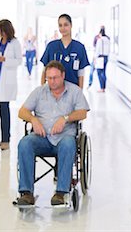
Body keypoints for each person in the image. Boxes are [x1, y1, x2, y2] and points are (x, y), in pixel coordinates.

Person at [17, 60, 89, 206]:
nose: (52, 81)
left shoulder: (74, 91)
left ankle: (61, 193)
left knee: (69, 144)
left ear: (63, 75)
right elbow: (22, 111)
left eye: (55, 78)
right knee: (25, 143)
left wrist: (66, 118)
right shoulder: (39, 92)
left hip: (64, 138)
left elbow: (82, 113)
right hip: (41, 138)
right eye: (49, 78)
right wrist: (33, 119)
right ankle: (26, 193)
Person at [0, 19, 22, 151]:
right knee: (1, 109)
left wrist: (5, 60)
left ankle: (5, 139)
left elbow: (19, 61)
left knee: (4, 109)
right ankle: (5, 137)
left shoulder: (15, 43)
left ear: (4, 29)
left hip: (7, 80)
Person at [40, 14, 90, 88]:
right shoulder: (51, 46)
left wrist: (79, 93)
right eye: (60, 25)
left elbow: (81, 74)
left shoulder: (79, 47)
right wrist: (43, 91)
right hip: (53, 90)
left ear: (71, 25)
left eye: (66, 25)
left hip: (73, 90)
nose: (63, 28)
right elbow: (44, 71)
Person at [95, 27, 110, 92]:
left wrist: (95, 58)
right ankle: (104, 87)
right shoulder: (108, 39)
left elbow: (97, 50)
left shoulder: (100, 40)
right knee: (104, 72)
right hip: (106, 57)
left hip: (100, 57)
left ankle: (102, 88)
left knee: (99, 72)